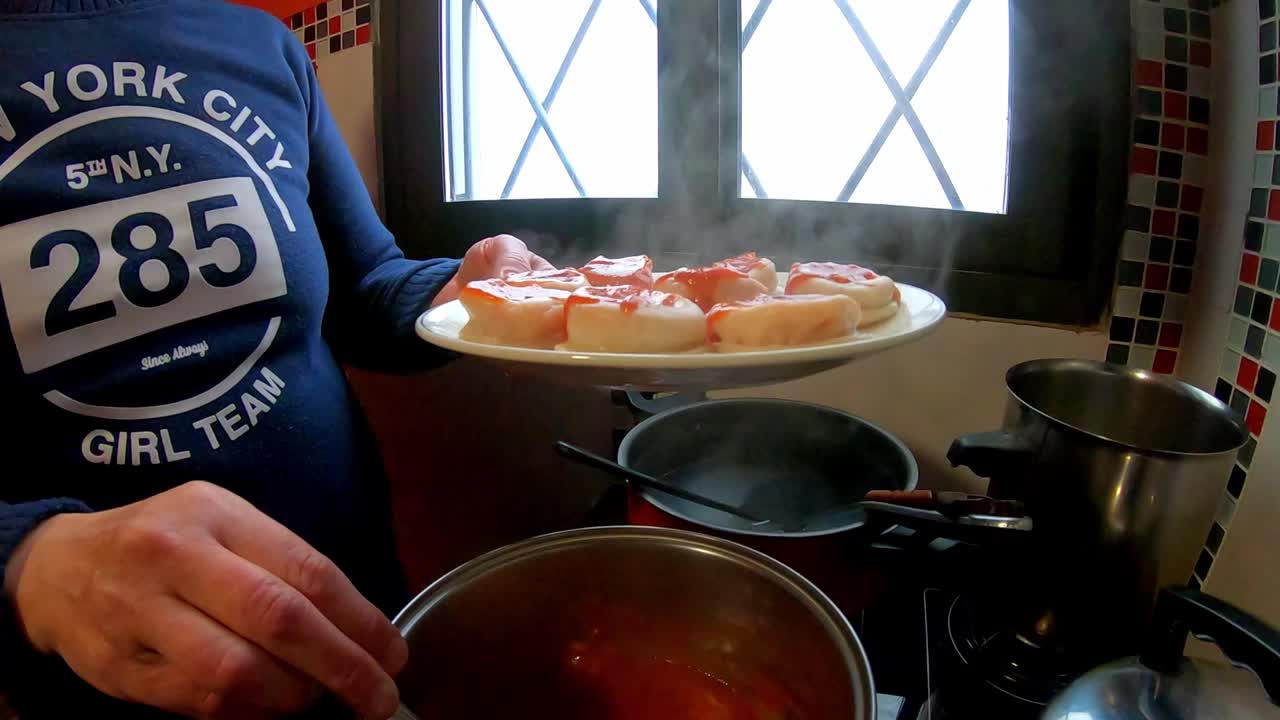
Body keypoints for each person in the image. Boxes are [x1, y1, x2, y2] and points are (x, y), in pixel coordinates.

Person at [0, 1, 551, 717]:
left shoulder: (260, 44)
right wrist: (28, 558)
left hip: (352, 606)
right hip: (124, 679)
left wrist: (461, 294)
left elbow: (364, 285)